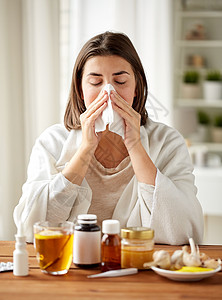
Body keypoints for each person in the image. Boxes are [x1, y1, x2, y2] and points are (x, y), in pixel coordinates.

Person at [14, 31, 204, 244]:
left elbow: (184, 231)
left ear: (136, 87)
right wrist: (85, 150)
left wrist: (135, 146)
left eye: (120, 81)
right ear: (80, 89)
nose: (108, 93)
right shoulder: (52, 142)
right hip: (75, 270)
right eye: (96, 82)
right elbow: (30, 228)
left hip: (143, 268)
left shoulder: (168, 142)